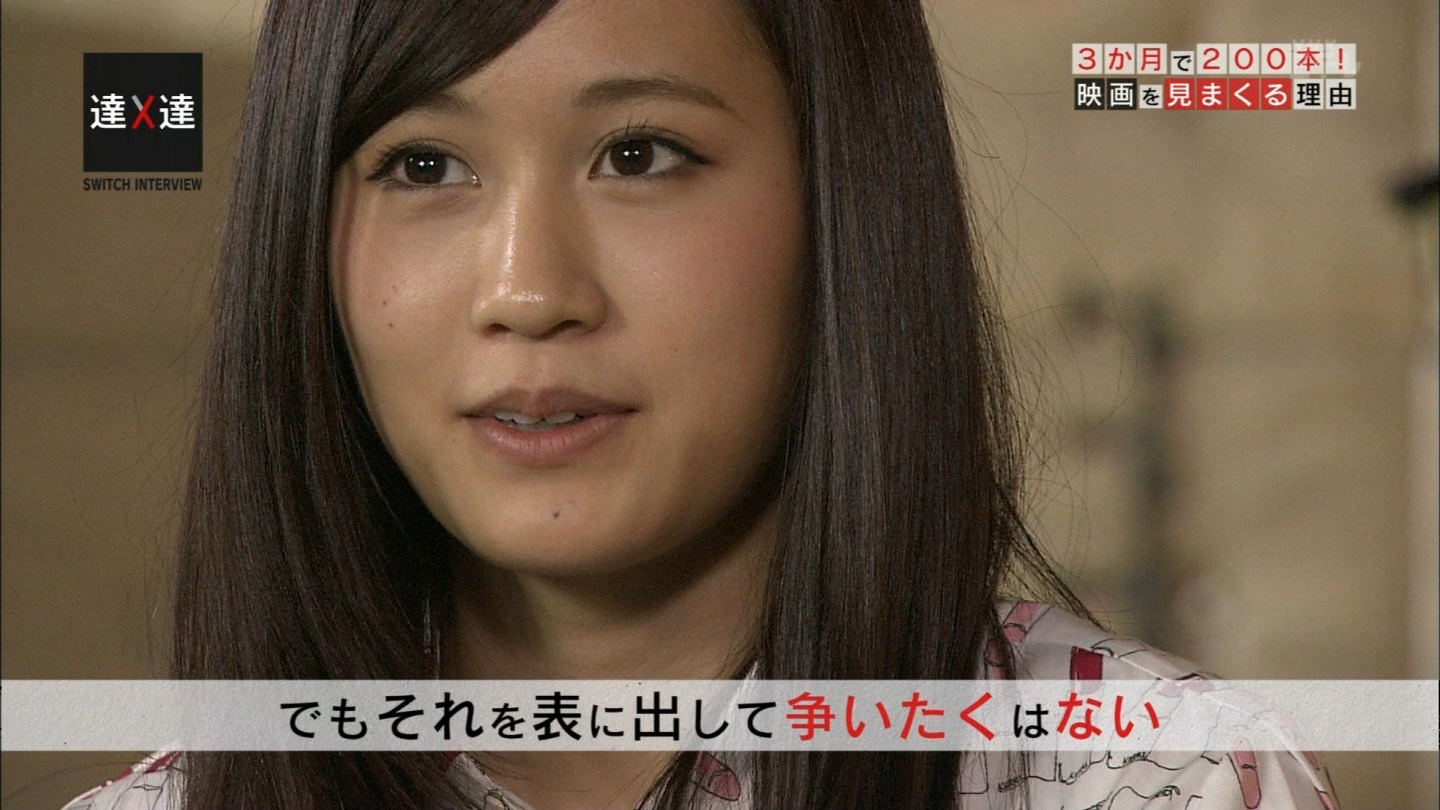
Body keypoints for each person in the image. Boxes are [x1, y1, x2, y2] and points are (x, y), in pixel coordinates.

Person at [63, 0, 1340, 808]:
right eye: (423, 164)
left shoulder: (1160, 781)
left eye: (640, 154)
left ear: (844, 202)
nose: (528, 291)